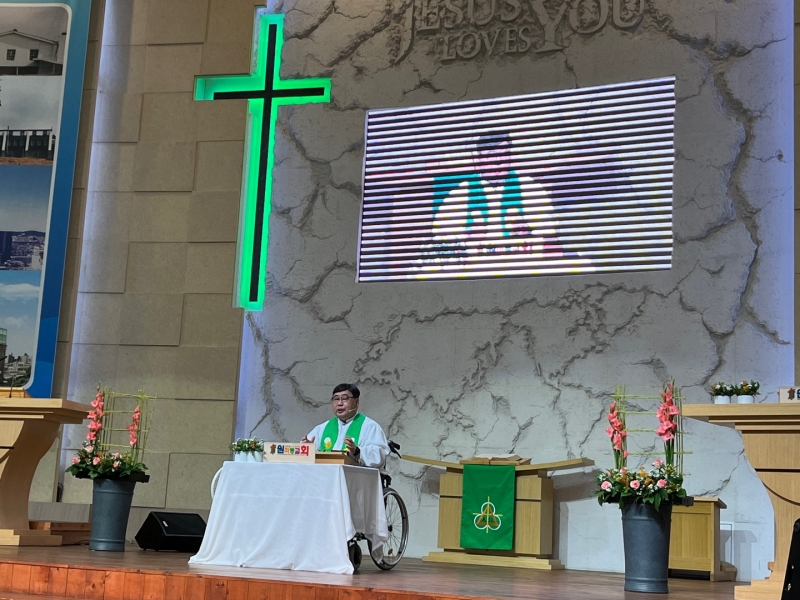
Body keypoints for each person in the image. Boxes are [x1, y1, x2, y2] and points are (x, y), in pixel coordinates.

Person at [302, 383, 390, 470]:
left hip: (356, 476)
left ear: (356, 402)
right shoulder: (322, 428)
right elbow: (305, 454)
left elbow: (379, 456)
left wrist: (357, 451)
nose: (340, 403)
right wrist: (310, 449)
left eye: (345, 399)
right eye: (336, 399)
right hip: (326, 475)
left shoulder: (370, 426)